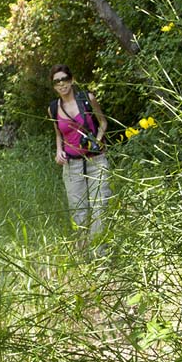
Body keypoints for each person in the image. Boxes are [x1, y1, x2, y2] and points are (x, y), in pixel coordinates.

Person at [48, 65, 111, 251]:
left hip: (96, 161)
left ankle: (99, 255)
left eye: (64, 79)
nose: (61, 84)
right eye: (57, 81)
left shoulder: (87, 99)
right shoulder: (53, 108)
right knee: (78, 211)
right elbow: (59, 133)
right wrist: (58, 150)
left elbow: (103, 122)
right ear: (53, 86)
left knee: (100, 207)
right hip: (71, 165)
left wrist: (97, 141)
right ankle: (84, 255)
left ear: (71, 79)